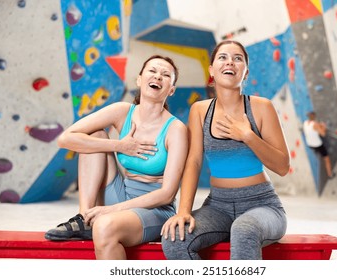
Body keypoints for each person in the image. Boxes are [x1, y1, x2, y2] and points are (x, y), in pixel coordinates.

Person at [44, 55, 188, 260]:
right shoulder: (122, 111)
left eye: (166, 75)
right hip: (122, 192)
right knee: (95, 137)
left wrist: (110, 210)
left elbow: (167, 194)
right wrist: (120, 145)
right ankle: (84, 217)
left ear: (171, 90)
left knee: (104, 226)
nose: (158, 76)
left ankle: (95, 220)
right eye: (152, 71)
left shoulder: (176, 129)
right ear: (139, 79)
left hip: (155, 209)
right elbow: (66, 139)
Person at [161, 40, 290, 260]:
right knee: (175, 238)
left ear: (245, 72)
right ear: (211, 70)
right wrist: (183, 211)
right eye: (223, 57)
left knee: (244, 230)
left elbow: (283, 167)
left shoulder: (261, 107)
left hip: (262, 205)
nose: (230, 61)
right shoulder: (200, 110)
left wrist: (248, 136)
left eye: (237, 58)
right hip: (217, 206)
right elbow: (193, 162)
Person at [303, 111, 335, 179]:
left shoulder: (305, 123)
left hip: (310, 144)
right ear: (314, 117)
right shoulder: (315, 124)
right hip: (318, 145)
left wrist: (319, 125)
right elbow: (323, 134)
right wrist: (323, 126)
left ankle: (318, 153)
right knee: (327, 159)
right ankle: (330, 174)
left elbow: (314, 128)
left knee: (317, 151)